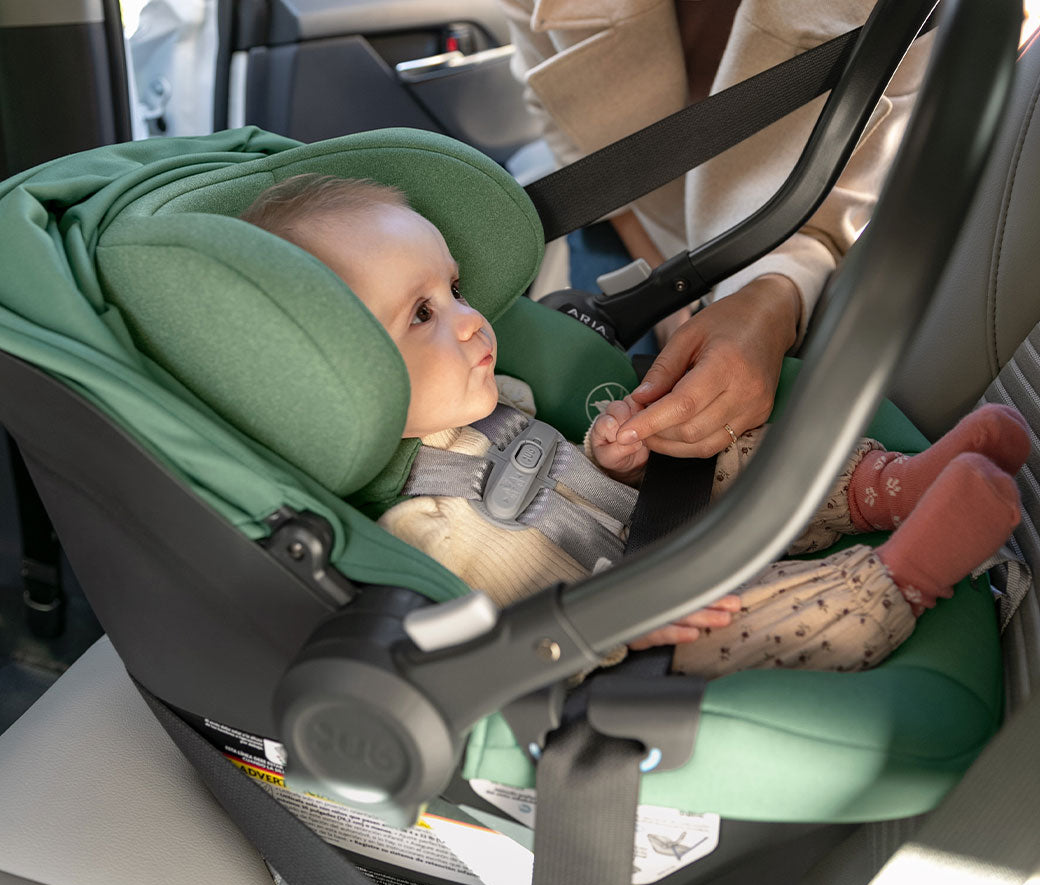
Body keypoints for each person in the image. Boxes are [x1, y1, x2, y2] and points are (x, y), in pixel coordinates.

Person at [239, 176, 1025, 677]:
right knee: (755, 620)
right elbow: (518, 639)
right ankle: (905, 572)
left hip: (663, 527)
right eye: (421, 315)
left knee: (726, 448)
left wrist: (614, 457)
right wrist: (623, 627)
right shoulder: (424, 530)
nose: (473, 321)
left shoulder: (498, 400)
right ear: (338, 385)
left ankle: (892, 487)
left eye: (456, 289)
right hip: (641, 629)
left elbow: (571, 482)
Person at [499, 0, 936, 457]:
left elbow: (845, 198)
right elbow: (557, 118)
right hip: (633, 218)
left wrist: (766, 304)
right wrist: (667, 296)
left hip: (783, 241)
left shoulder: (907, 11)